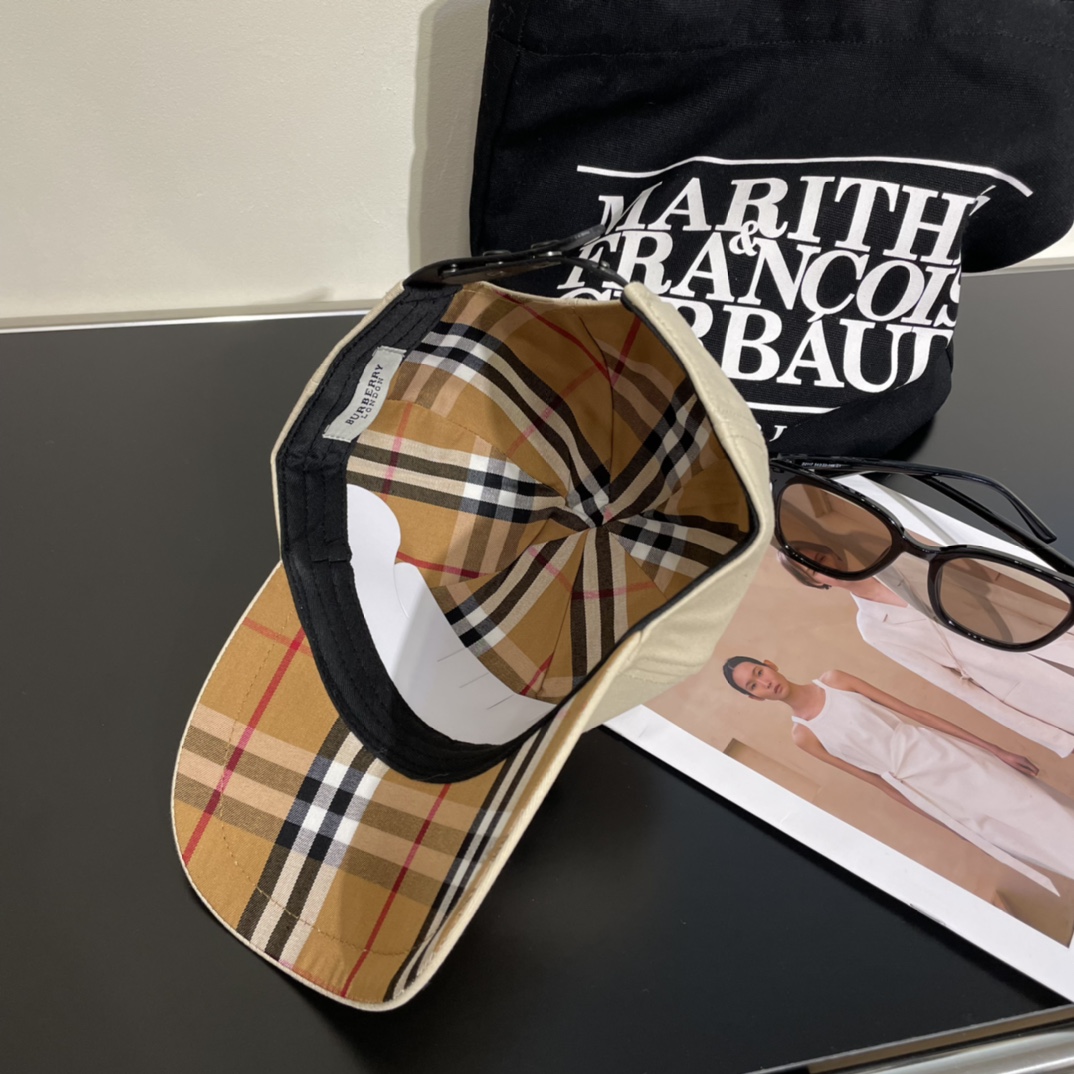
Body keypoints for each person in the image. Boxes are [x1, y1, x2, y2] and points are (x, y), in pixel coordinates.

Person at [723, 655, 1074, 893]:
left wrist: (995, 750)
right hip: (924, 790)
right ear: (755, 699)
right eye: (753, 686)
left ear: (770, 664)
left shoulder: (834, 681)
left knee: (1036, 805)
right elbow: (875, 782)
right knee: (1018, 839)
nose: (764, 683)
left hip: (944, 754)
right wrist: (948, 825)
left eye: (759, 673)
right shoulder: (804, 736)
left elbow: (915, 713)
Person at [778, 544, 1074, 758]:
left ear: (834, 553)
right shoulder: (873, 628)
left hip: (1050, 640)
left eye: (821, 558)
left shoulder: (906, 564)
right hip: (1024, 689)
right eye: (813, 570)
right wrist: (1054, 738)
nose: (824, 568)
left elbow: (1000, 599)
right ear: (815, 582)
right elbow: (956, 687)